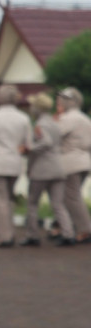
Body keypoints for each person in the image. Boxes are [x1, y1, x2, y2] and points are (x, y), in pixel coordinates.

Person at [0, 85, 32, 248]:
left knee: (0, 201)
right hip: (14, 164)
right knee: (8, 199)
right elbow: (28, 144)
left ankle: (5, 236)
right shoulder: (24, 118)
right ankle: (10, 231)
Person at [19, 92, 74, 246]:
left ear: (37, 108)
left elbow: (46, 142)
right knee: (58, 204)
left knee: (32, 202)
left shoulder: (40, 125)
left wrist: (29, 149)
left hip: (42, 169)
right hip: (58, 167)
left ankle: (33, 235)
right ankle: (68, 233)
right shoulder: (55, 123)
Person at [54, 87, 91, 244]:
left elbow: (54, 135)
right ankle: (65, 227)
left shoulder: (68, 118)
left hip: (70, 162)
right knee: (69, 197)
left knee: (71, 198)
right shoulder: (84, 118)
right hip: (84, 161)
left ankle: (85, 229)